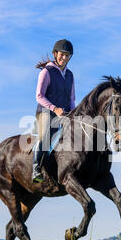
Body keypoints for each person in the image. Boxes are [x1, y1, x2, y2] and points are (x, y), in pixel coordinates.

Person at [32, 39, 75, 183]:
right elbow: (39, 96)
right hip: (45, 112)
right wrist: (54, 109)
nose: (64, 58)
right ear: (55, 54)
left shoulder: (70, 75)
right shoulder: (46, 72)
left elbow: (71, 99)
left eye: (67, 55)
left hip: (64, 113)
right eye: (62, 54)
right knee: (45, 136)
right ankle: (36, 168)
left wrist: (74, 115)